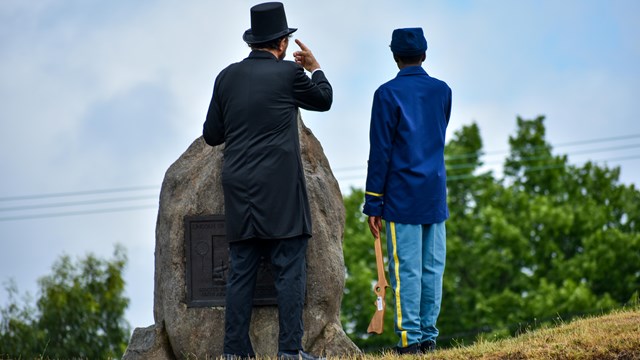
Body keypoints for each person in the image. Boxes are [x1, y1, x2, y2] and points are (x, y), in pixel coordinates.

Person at [202, 2, 332, 359]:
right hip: (281, 191)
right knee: (290, 269)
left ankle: (234, 353)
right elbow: (324, 99)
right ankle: (290, 352)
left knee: (241, 270)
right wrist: (315, 68)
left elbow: (212, 135)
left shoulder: (226, 77)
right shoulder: (289, 74)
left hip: (239, 188)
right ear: (282, 43)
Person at [363, 27, 452, 355]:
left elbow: (381, 151)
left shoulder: (386, 94)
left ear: (395, 56)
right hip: (434, 193)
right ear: (424, 55)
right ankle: (429, 338)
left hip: (401, 197)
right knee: (433, 269)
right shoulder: (444, 91)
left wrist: (373, 202)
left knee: (407, 271)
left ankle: (411, 342)